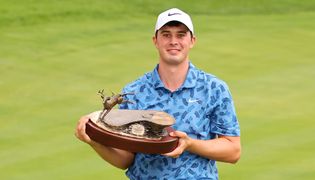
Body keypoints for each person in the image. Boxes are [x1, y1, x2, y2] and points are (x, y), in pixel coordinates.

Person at [75, 8, 241, 179]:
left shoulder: (214, 88)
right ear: (155, 40)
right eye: (166, 35)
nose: (173, 41)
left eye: (181, 35)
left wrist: (190, 144)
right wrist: (94, 142)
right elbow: (126, 159)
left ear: (192, 40)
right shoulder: (134, 92)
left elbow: (233, 151)